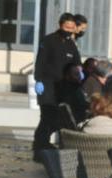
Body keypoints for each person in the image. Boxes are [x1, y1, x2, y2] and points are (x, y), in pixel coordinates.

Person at [33, 12, 81, 157]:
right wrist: (38, 80)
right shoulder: (49, 41)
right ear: (61, 25)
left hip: (64, 86)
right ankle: (40, 145)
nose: (69, 30)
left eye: (72, 27)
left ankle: (56, 144)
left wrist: (80, 72)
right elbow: (40, 61)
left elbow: (77, 62)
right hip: (47, 84)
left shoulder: (71, 43)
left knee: (61, 117)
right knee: (47, 116)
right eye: (67, 27)